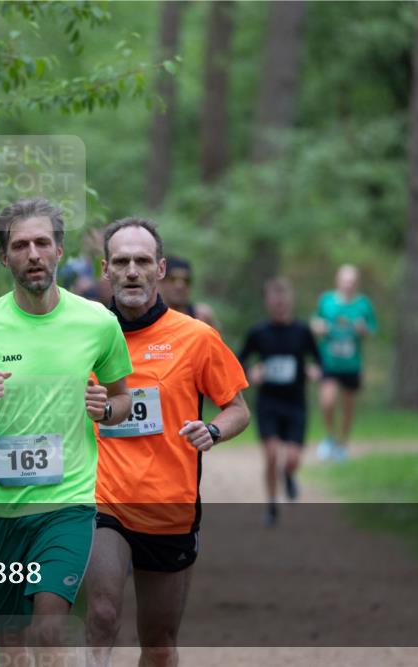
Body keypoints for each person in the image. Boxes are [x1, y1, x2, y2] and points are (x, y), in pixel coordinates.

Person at [0, 198, 133, 666]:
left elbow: (123, 399)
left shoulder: (98, 323)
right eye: (21, 246)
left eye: (43, 242)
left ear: (60, 250)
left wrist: (107, 410)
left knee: (49, 627)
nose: (34, 254)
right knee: (12, 648)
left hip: (66, 503)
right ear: (5, 258)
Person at [85, 218, 250, 667]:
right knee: (101, 613)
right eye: (122, 262)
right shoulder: (84, 336)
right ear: (106, 270)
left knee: (157, 641)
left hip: (169, 506)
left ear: (160, 268)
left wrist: (213, 430)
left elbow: (237, 409)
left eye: (142, 261)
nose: (132, 271)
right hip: (102, 501)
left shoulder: (196, 337)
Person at [237, 278, 322, 526]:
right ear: (267, 303)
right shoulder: (258, 333)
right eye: (275, 300)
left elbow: (319, 360)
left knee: (292, 458)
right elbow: (239, 361)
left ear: (290, 301)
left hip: (296, 403)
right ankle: (272, 505)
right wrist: (252, 371)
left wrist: (315, 370)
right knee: (272, 454)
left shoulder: (302, 332)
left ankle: (289, 473)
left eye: (284, 299)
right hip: (269, 404)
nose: (280, 304)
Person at [310, 265, 377, 462]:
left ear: (357, 283)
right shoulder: (327, 300)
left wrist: (363, 329)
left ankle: (343, 444)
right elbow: (315, 322)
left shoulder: (363, 304)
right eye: (345, 280)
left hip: (351, 364)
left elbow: (371, 330)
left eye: (352, 281)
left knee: (348, 406)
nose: (348, 284)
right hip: (328, 362)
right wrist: (318, 327)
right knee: (327, 402)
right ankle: (330, 437)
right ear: (337, 281)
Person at [158, 255, 219, 329]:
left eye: (186, 281)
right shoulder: (150, 316)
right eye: (173, 279)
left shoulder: (201, 316)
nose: (180, 286)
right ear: (161, 282)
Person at [58, 227, 111, 304]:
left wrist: (92, 283)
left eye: (98, 239)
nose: (94, 243)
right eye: (91, 238)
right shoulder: (72, 265)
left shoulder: (104, 262)